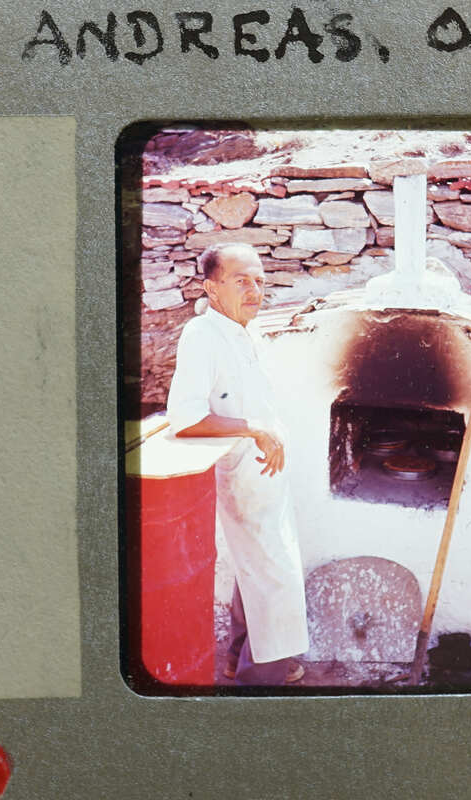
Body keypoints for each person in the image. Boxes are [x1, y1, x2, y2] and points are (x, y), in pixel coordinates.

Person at [165, 242, 309, 686]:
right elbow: (185, 418)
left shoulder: (244, 330)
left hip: (264, 476)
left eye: (260, 281)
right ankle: (259, 680)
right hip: (240, 476)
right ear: (211, 288)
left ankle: (236, 658)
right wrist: (255, 430)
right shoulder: (202, 336)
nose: (255, 290)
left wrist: (265, 431)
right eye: (241, 280)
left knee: (259, 571)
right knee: (275, 576)